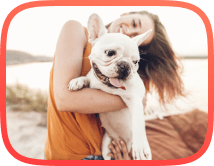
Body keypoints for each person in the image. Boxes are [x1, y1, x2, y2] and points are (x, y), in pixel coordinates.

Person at [44, 10, 185, 160]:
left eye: (135, 39)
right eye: (134, 23)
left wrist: (125, 156)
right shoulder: (77, 31)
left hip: (108, 152)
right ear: (126, 13)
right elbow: (65, 99)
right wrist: (131, 99)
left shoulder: (129, 75)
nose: (129, 33)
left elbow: (128, 119)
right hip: (68, 154)